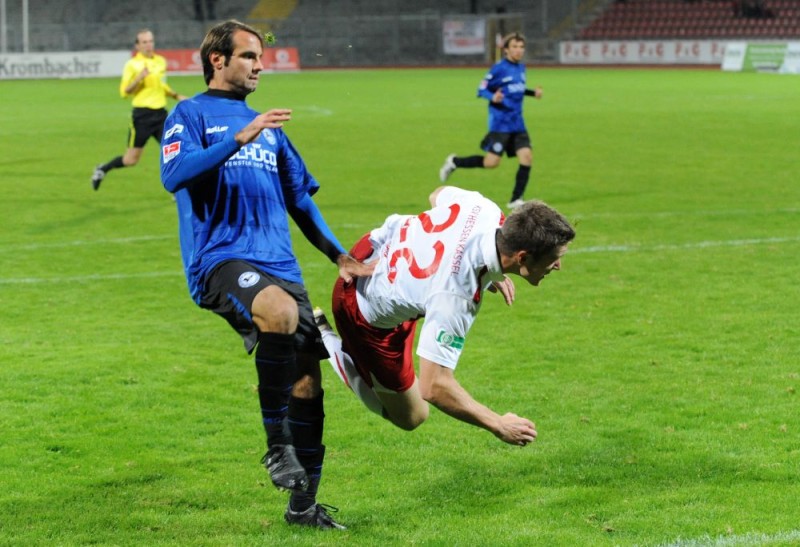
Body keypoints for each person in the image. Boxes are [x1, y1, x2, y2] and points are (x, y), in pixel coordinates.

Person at [160, 20, 373, 530]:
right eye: (250, 56)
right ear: (218, 60)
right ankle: (276, 447)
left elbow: (300, 200)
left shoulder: (269, 128)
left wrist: (339, 256)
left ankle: (303, 507)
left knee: (307, 382)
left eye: (261, 57)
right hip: (221, 260)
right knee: (276, 312)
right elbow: (175, 175)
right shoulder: (189, 114)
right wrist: (240, 135)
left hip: (280, 263)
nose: (260, 65)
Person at [315, 185, 575, 446]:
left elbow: (437, 194)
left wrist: (493, 273)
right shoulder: (457, 294)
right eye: (554, 259)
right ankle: (324, 337)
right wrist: (498, 423)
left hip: (375, 249)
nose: (558, 266)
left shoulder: (485, 210)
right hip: (361, 308)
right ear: (522, 256)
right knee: (412, 416)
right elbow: (434, 386)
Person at [439, 32, 543, 209]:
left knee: (526, 157)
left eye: (521, 47)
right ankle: (455, 162)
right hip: (500, 124)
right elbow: (481, 89)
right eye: (515, 47)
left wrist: (533, 93)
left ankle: (516, 199)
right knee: (491, 163)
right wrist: (492, 97)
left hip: (517, 123)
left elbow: (516, 88)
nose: (519, 50)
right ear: (506, 50)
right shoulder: (498, 68)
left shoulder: (521, 67)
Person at [91, 29, 186, 191]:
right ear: (137, 45)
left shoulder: (160, 61)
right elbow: (124, 92)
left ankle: (177, 191)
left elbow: (160, 85)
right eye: (144, 42)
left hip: (161, 115)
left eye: (151, 41)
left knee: (174, 153)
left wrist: (176, 96)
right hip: (142, 117)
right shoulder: (132, 64)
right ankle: (102, 169)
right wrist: (138, 78)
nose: (149, 45)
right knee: (131, 160)